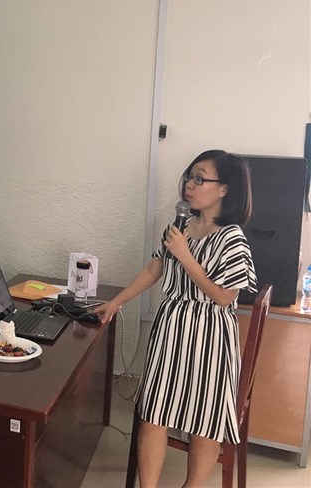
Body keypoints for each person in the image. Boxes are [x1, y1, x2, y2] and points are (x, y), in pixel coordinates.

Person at [96, 150, 256, 488]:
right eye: (189, 177)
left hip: (210, 336)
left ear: (224, 189)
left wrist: (185, 256)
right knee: (154, 411)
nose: (189, 185)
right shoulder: (180, 226)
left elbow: (224, 296)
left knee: (205, 421)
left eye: (200, 178)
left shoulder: (232, 238)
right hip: (171, 328)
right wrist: (116, 302)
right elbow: (155, 267)